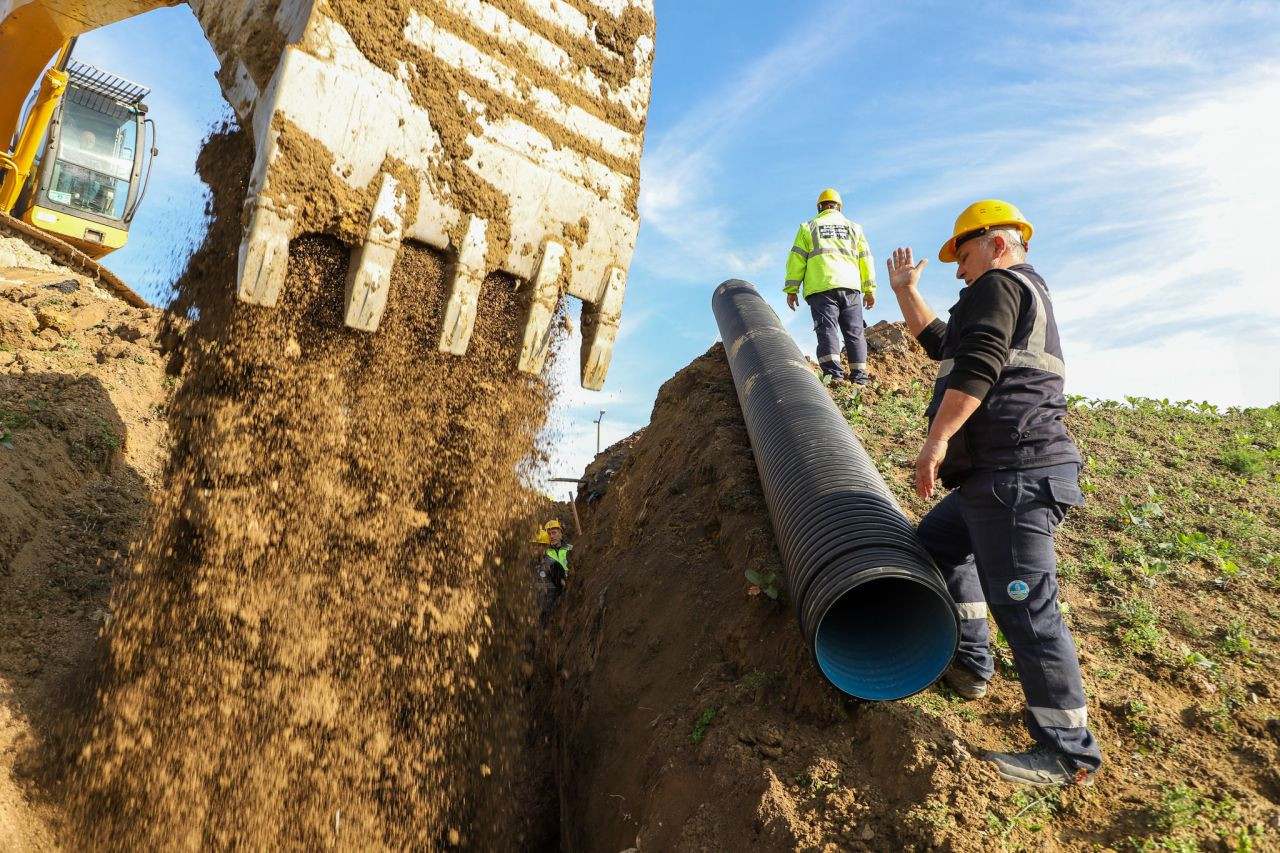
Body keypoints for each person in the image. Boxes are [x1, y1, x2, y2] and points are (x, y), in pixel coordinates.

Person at [885, 199, 1102, 787]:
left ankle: (1067, 753)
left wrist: (935, 444)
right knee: (935, 545)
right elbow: (944, 344)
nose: (958, 270)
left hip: (1015, 474)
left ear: (998, 244)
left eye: (964, 255)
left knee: (1027, 609)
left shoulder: (1001, 285)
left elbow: (975, 365)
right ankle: (973, 664)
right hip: (997, 477)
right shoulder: (1014, 294)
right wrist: (905, 290)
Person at [783, 188, 877, 387]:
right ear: (839, 207)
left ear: (820, 207)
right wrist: (870, 290)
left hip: (822, 286)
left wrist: (792, 289)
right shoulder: (854, 228)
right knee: (855, 331)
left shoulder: (809, 227)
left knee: (827, 329)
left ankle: (834, 376)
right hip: (850, 288)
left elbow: (797, 260)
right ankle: (859, 377)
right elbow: (866, 260)